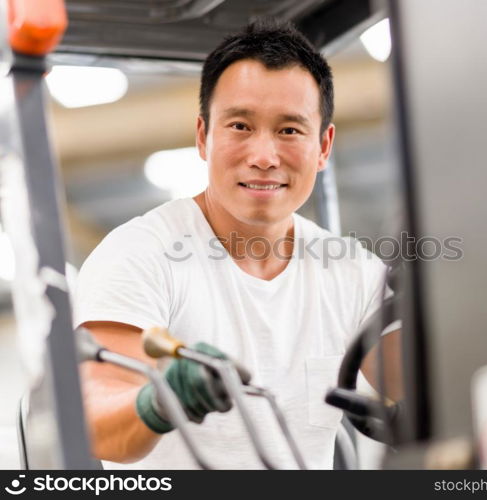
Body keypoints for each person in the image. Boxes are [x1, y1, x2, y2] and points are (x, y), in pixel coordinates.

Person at [75, 19, 398, 470]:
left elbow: (426, 391)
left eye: (289, 130)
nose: (264, 157)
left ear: (323, 146)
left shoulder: (352, 271)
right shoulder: (141, 254)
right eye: (241, 126)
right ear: (204, 136)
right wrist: (160, 402)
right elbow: (93, 421)